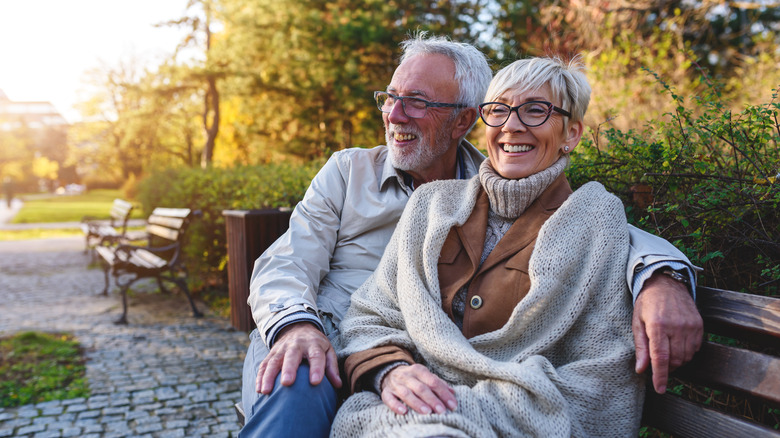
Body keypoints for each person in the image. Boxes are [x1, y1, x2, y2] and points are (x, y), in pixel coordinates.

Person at [240, 34, 701, 437]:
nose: (395, 114)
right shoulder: (352, 173)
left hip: (412, 376)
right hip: (321, 336)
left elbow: (597, 228)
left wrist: (663, 276)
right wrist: (298, 327)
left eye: (416, 101)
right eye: (390, 97)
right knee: (298, 378)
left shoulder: (501, 184)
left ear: (463, 122)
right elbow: (287, 262)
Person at [333, 55, 645, 436]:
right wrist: (391, 371)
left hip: (515, 422)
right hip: (400, 414)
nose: (511, 126)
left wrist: (456, 409)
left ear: (572, 134)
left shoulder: (596, 221)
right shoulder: (430, 206)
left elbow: (600, 375)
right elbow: (370, 314)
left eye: (535, 110)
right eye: (498, 110)